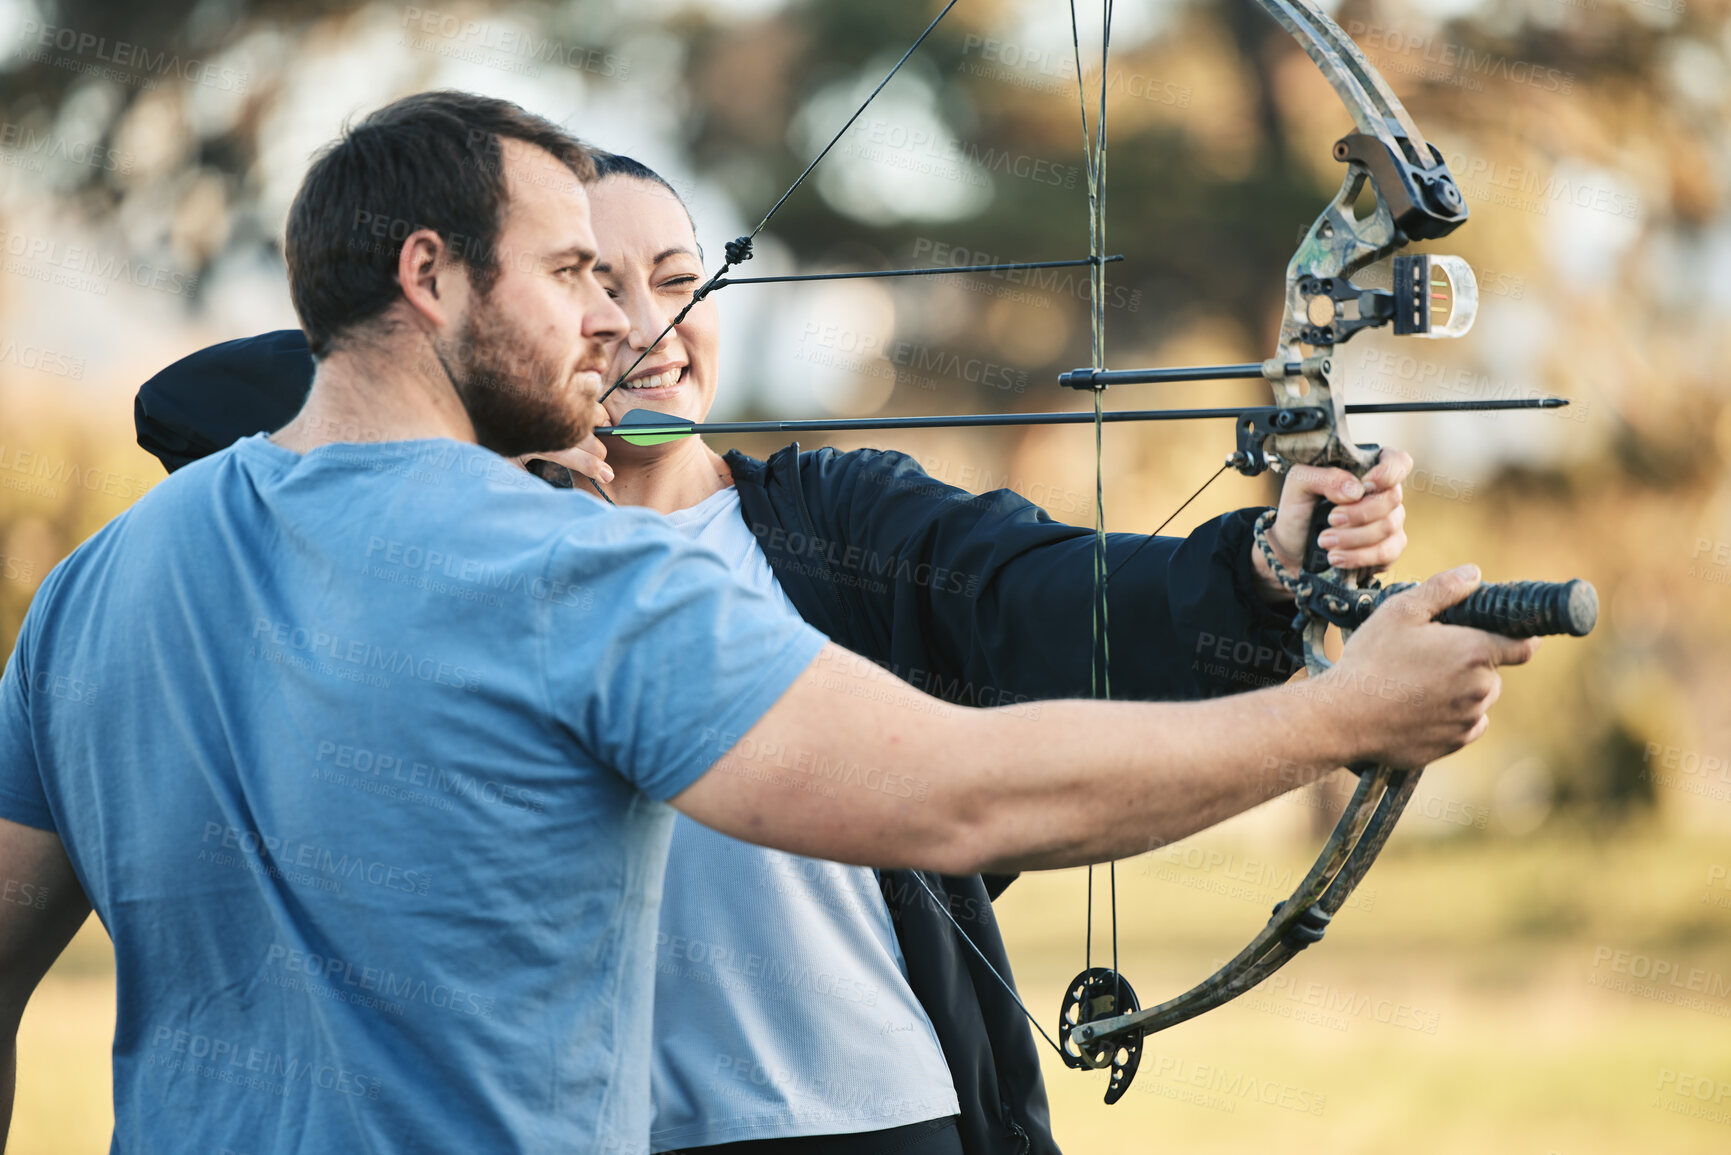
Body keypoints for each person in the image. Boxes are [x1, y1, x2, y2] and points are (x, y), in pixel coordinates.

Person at [0, 89, 1533, 1155]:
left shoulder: (94, 585)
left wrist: (1264, 573)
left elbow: (1043, 600)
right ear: (429, 278)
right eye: (577, 277)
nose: (628, 327)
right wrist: (1349, 716)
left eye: (662, 279)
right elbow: (958, 792)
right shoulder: (563, 571)